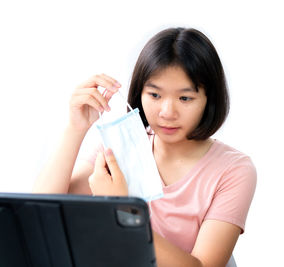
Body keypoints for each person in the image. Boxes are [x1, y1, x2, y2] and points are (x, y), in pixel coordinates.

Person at [33, 27, 257, 267]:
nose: (167, 113)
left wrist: (123, 211)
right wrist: (74, 129)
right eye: (155, 95)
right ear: (140, 93)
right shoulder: (119, 148)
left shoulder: (234, 169)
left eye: (185, 98)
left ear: (209, 100)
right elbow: (39, 216)